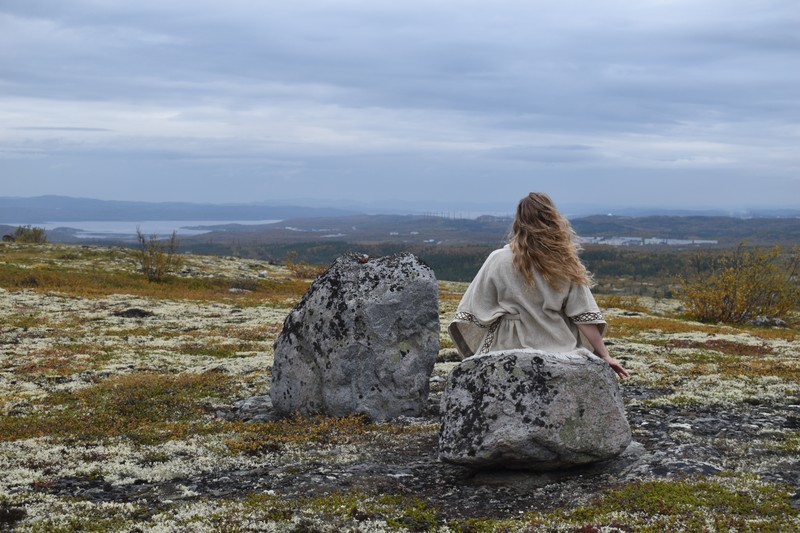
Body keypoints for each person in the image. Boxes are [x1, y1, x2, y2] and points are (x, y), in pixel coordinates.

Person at [448, 192, 629, 379]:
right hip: (558, 346)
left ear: (518, 221)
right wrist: (604, 355)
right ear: (553, 219)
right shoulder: (564, 263)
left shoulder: (497, 260)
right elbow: (582, 315)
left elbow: (474, 308)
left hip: (505, 348)